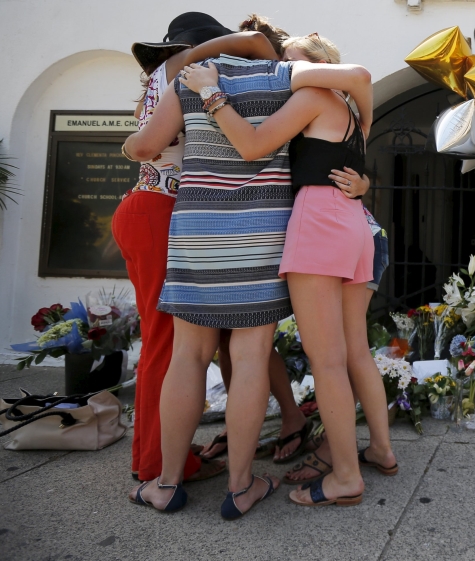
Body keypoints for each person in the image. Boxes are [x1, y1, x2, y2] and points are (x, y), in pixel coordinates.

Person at [123, 45, 372, 517]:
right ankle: (240, 487)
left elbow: (144, 146)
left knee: (187, 357)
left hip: (198, 227)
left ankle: (167, 483)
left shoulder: (189, 79)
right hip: (261, 231)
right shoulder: (284, 78)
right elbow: (353, 84)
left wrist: (133, 141)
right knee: (251, 357)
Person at [179, 33, 395, 508]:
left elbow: (253, 145)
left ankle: (344, 477)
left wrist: (211, 94)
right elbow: (344, 161)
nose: (281, 75)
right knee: (351, 352)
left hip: (318, 223)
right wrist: (363, 184)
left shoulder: (314, 95)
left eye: (291, 66)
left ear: (319, 67)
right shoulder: (355, 112)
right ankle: (380, 449)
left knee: (329, 361)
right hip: (354, 223)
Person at [113, 11, 280, 485]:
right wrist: (200, 54)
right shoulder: (186, 74)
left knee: (166, 344)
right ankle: (157, 464)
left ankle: (156, 457)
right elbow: (147, 148)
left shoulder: (159, 83)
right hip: (161, 211)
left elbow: (139, 147)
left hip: (145, 208)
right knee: (167, 346)